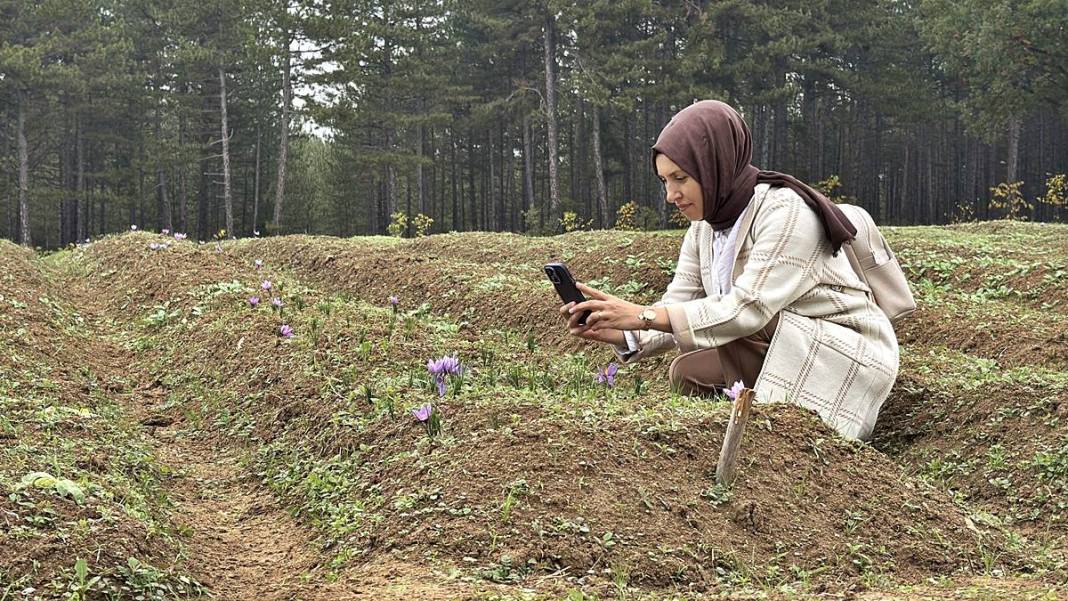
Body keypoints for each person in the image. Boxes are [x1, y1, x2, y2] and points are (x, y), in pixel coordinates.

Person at [559, 100, 899, 441]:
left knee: (740, 329)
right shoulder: (704, 229)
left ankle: (780, 439)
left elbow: (748, 309)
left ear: (715, 166)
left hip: (847, 352)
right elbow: (678, 303)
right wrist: (620, 330)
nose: (671, 194)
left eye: (680, 178)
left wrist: (641, 315)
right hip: (789, 342)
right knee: (686, 373)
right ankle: (738, 432)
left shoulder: (785, 212)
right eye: (664, 180)